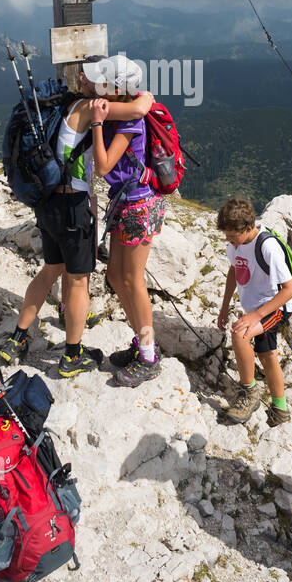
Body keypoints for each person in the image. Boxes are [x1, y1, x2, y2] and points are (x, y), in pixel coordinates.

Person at [0, 58, 154, 379]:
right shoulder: (89, 108)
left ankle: (18, 337)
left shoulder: (65, 103)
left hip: (48, 202)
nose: (94, 83)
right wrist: (147, 97)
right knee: (80, 279)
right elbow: (139, 111)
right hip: (73, 205)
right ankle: (72, 354)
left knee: (50, 270)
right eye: (96, 81)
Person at [84, 54, 167, 389]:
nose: (96, 84)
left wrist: (97, 124)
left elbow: (103, 166)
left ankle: (148, 356)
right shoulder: (126, 107)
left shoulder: (129, 121)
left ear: (117, 88)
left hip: (138, 205)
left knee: (132, 280)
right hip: (126, 202)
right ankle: (141, 341)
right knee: (116, 276)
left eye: (102, 80)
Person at [215, 198, 292, 426]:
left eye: (232, 236)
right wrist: (224, 307)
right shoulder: (235, 245)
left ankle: (249, 393)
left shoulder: (267, 246)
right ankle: (280, 409)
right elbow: (233, 271)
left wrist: (256, 315)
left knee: (240, 333)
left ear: (248, 228)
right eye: (227, 236)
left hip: (275, 308)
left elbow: (290, 290)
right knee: (267, 354)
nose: (228, 241)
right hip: (256, 308)